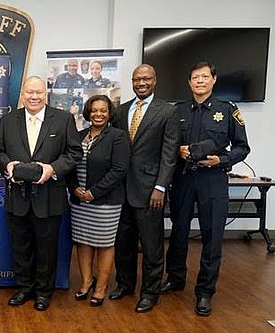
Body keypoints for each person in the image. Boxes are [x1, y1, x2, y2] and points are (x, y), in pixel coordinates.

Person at [162, 62, 250, 316]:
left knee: (212, 236)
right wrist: (178, 149)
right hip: (183, 177)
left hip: (213, 178)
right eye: (194, 78)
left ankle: (205, 291)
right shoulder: (177, 110)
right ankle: (175, 279)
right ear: (189, 82)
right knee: (178, 230)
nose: (199, 81)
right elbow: (169, 143)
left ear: (213, 80)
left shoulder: (227, 110)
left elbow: (242, 147)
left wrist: (220, 160)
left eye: (204, 77)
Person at [0, 76, 82, 311]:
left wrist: (53, 169)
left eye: (39, 93)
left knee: (47, 248)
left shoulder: (63, 120)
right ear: (22, 94)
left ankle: (43, 292)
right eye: (30, 92)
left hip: (49, 197)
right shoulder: (8, 120)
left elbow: (74, 153)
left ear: (46, 94)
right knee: (20, 247)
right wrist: (8, 166)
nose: (34, 97)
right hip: (17, 197)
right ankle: (24, 288)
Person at [109, 64, 179, 313]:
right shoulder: (121, 110)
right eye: (137, 79)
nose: (141, 83)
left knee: (151, 245)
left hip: (151, 191)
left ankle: (150, 292)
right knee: (123, 243)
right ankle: (125, 284)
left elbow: (170, 154)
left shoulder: (168, 112)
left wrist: (160, 186)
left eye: (146, 79)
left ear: (155, 80)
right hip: (122, 190)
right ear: (132, 81)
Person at [68, 95, 129, 307]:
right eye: (94, 110)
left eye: (103, 110)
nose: (98, 114)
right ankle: (86, 282)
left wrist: (94, 192)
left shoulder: (118, 136)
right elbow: (69, 164)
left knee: (104, 244)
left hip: (106, 202)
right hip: (79, 201)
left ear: (110, 113)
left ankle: (101, 287)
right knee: (83, 242)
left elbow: (119, 170)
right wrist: (74, 188)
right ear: (88, 112)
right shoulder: (78, 135)